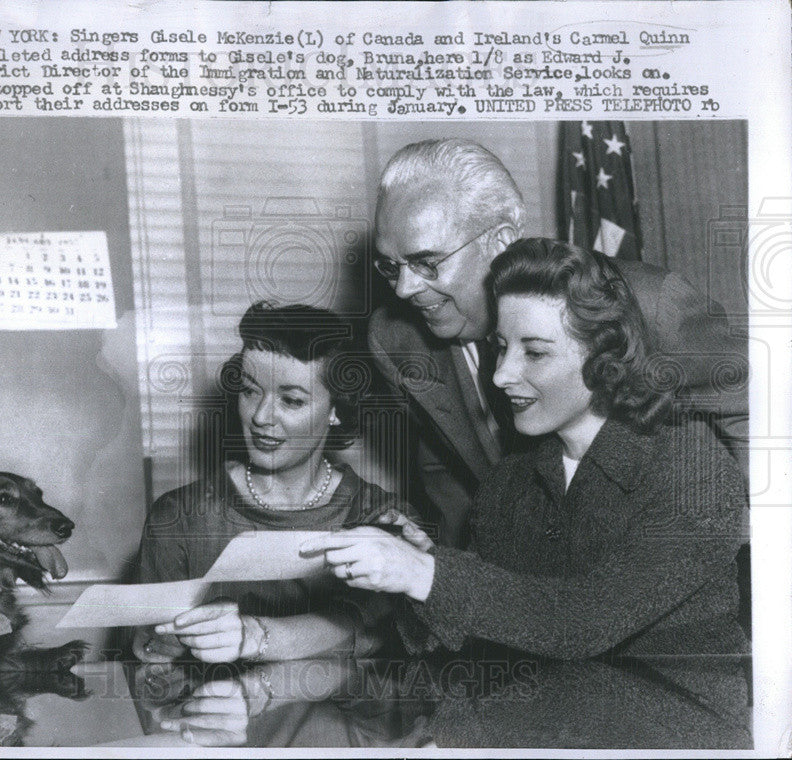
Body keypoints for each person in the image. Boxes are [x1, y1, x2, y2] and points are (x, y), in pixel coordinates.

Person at [302, 239, 750, 748]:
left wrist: (426, 573)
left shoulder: (693, 469)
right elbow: (487, 639)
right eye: (500, 347)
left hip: (681, 730)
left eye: (534, 352)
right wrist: (414, 565)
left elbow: (580, 621)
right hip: (545, 719)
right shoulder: (510, 482)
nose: (501, 375)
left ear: (605, 359)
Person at [367, 139, 748, 547]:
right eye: (391, 266)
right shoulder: (396, 338)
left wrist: (743, 538)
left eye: (427, 262)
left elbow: (757, 412)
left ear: (500, 241)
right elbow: (446, 473)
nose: (405, 289)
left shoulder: (651, 305)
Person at [132, 301, 418, 668]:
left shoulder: (382, 519)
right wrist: (155, 647)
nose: (261, 417)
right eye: (251, 391)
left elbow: (385, 644)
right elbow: (153, 664)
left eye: (291, 400)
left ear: (337, 409)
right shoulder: (179, 518)